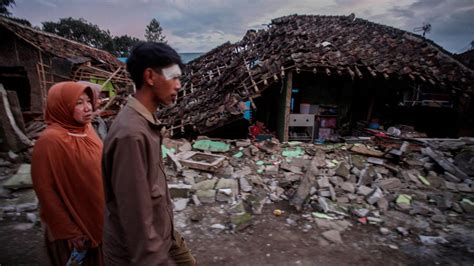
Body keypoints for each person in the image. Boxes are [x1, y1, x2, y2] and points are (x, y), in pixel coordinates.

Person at [102, 42, 196, 265]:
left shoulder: (145, 123)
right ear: (150, 77)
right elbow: (134, 214)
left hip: (165, 236)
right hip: (142, 252)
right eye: (173, 77)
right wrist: (156, 259)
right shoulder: (131, 134)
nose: (178, 86)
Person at [31, 81, 104, 265]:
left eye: (88, 101)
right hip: (75, 231)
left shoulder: (87, 130)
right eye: (79, 103)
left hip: (98, 220)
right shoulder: (50, 141)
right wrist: (69, 231)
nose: (88, 108)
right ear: (62, 106)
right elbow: (46, 192)